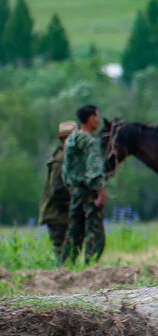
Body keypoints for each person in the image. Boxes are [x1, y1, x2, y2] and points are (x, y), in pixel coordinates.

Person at [59, 104, 107, 266]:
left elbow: (65, 170)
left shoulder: (71, 140)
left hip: (76, 192)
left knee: (74, 231)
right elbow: (94, 169)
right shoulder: (90, 142)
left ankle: (64, 266)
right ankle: (90, 266)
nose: (98, 122)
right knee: (95, 232)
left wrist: (72, 188)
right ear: (91, 118)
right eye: (97, 118)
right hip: (90, 192)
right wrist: (100, 193)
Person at [37, 120, 76, 256]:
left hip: (59, 213)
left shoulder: (63, 156)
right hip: (58, 214)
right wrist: (76, 200)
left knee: (67, 249)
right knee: (61, 249)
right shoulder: (60, 160)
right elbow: (58, 190)